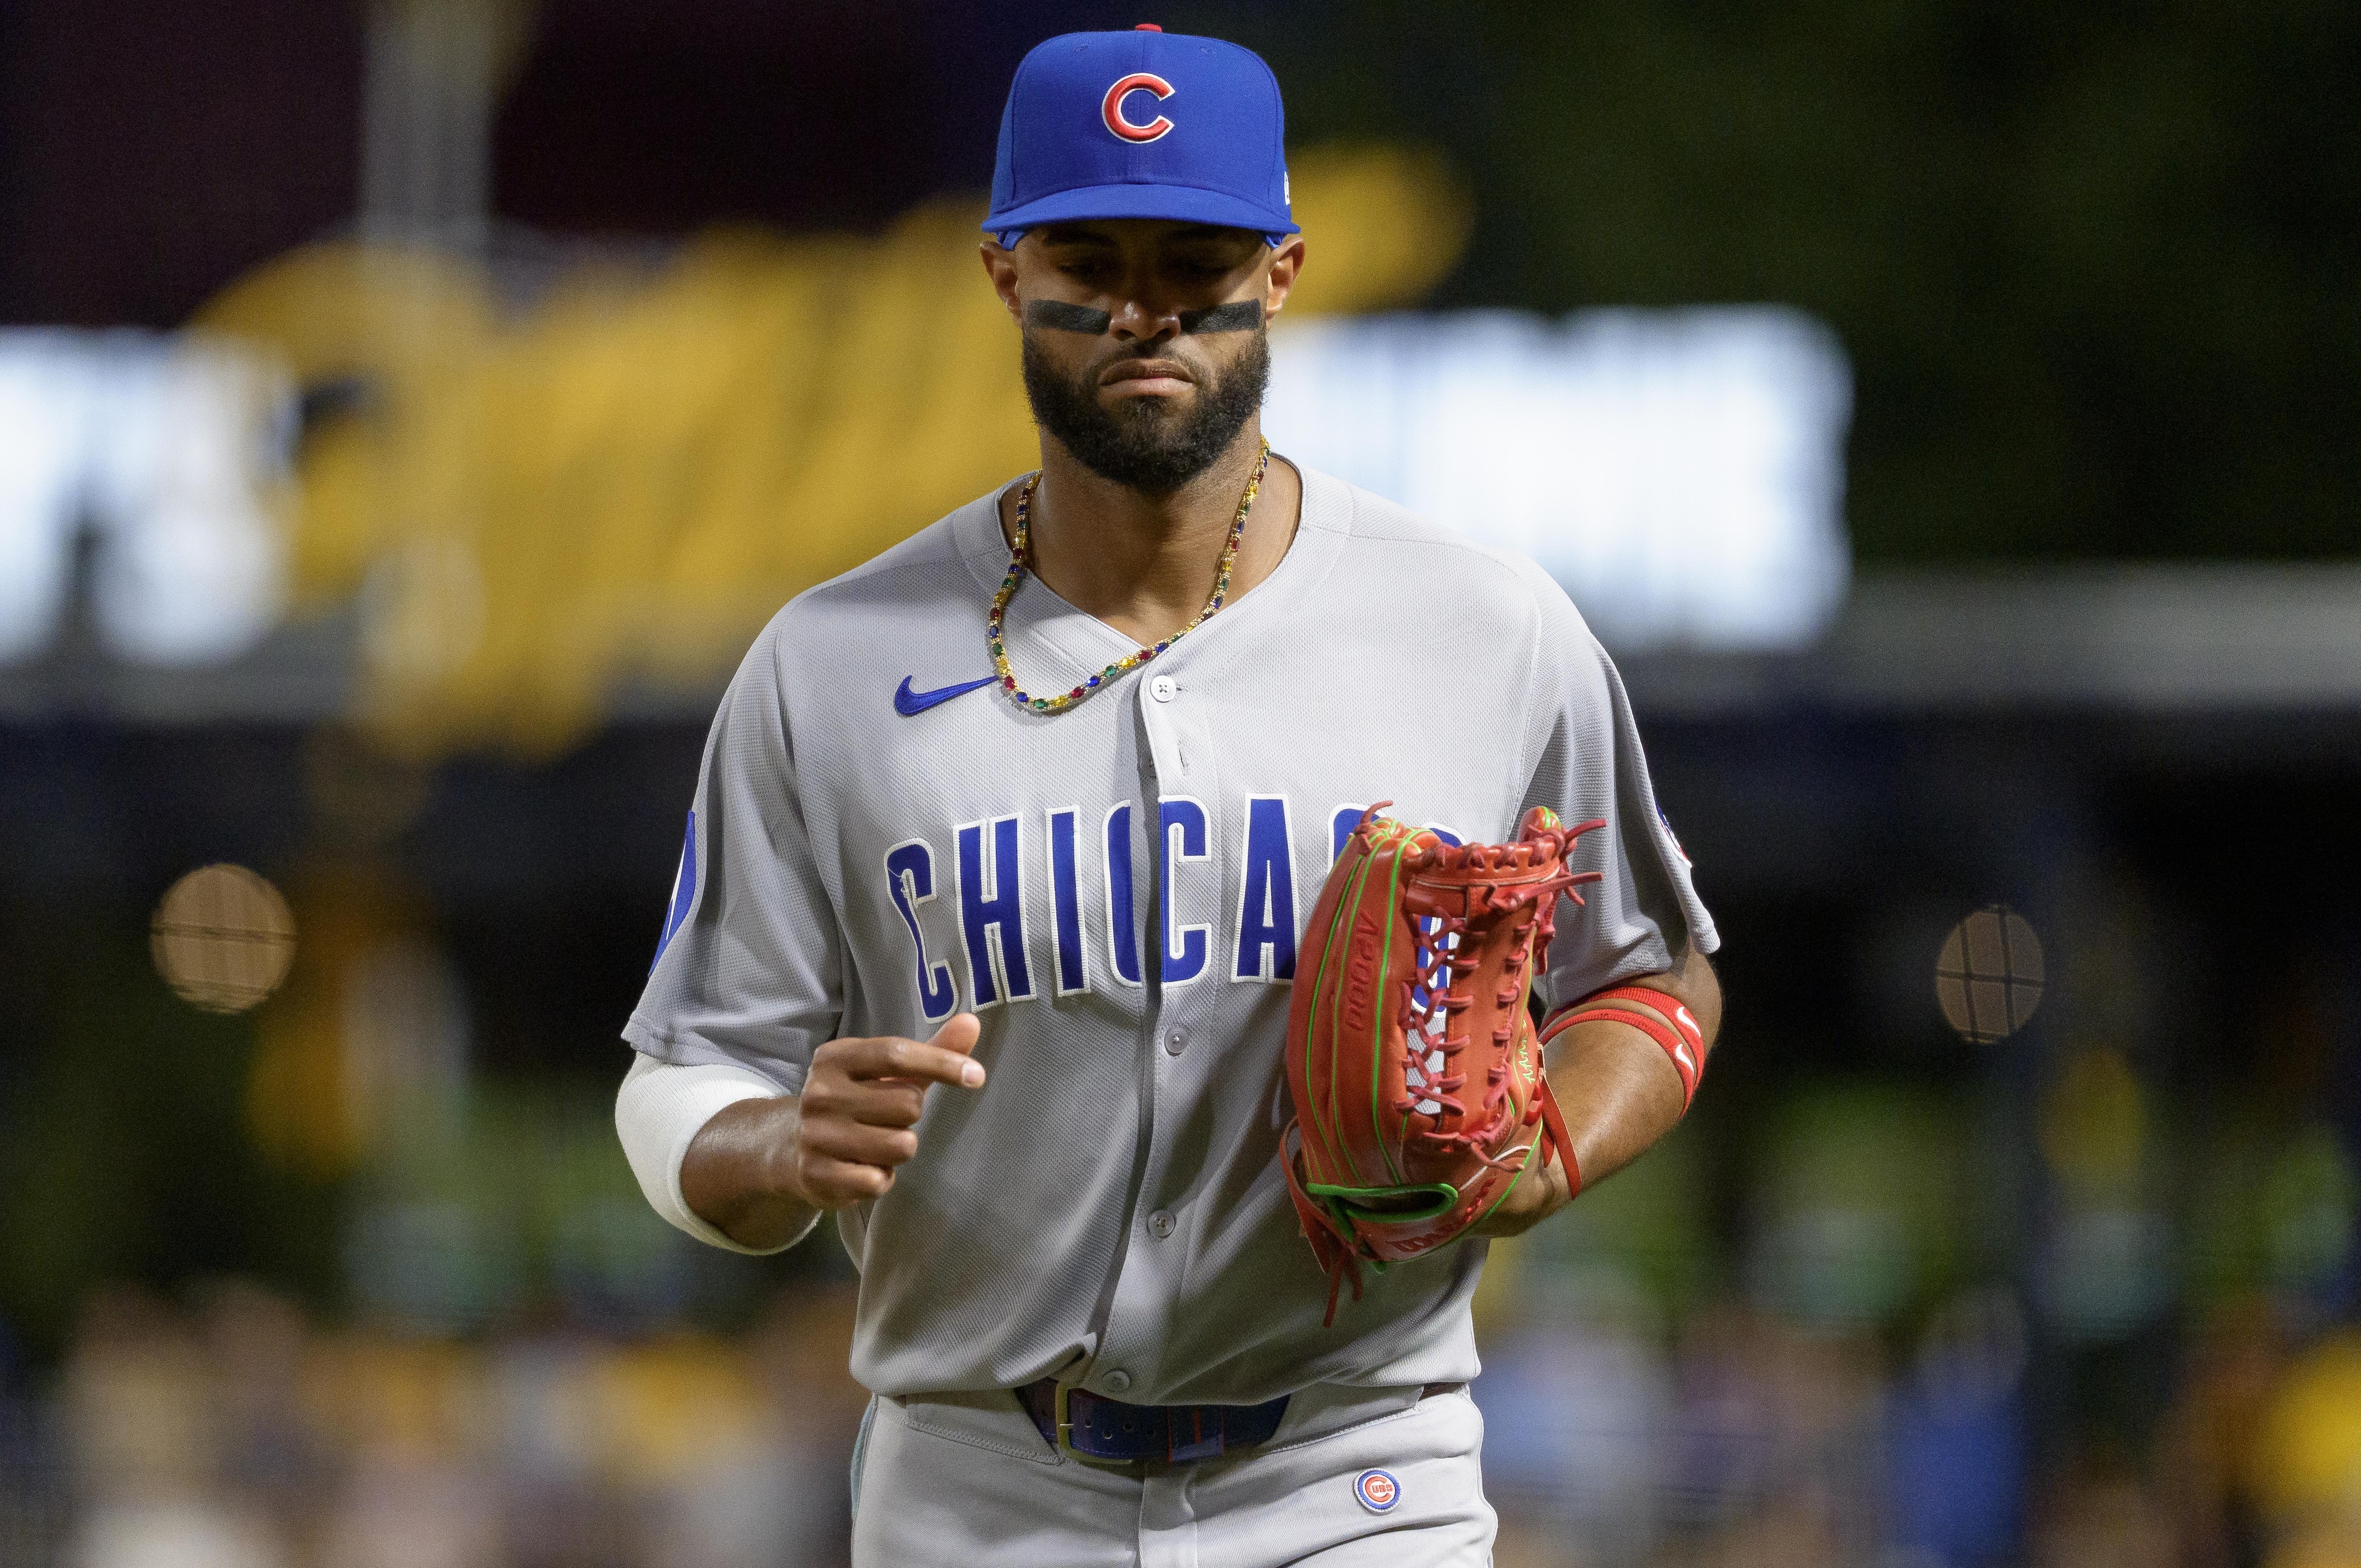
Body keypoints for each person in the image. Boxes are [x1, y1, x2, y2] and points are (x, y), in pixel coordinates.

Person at [614, 25, 1721, 1565]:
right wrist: (773, 1147)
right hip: (980, 1487)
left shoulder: (1485, 628)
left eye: (1196, 257)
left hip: (1357, 1471)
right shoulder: (826, 667)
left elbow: (1655, 975)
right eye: (1092, 252)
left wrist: (1560, 1141)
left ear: (1280, 268)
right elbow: (681, 1075)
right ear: (1004, 269)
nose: (1145, 308)